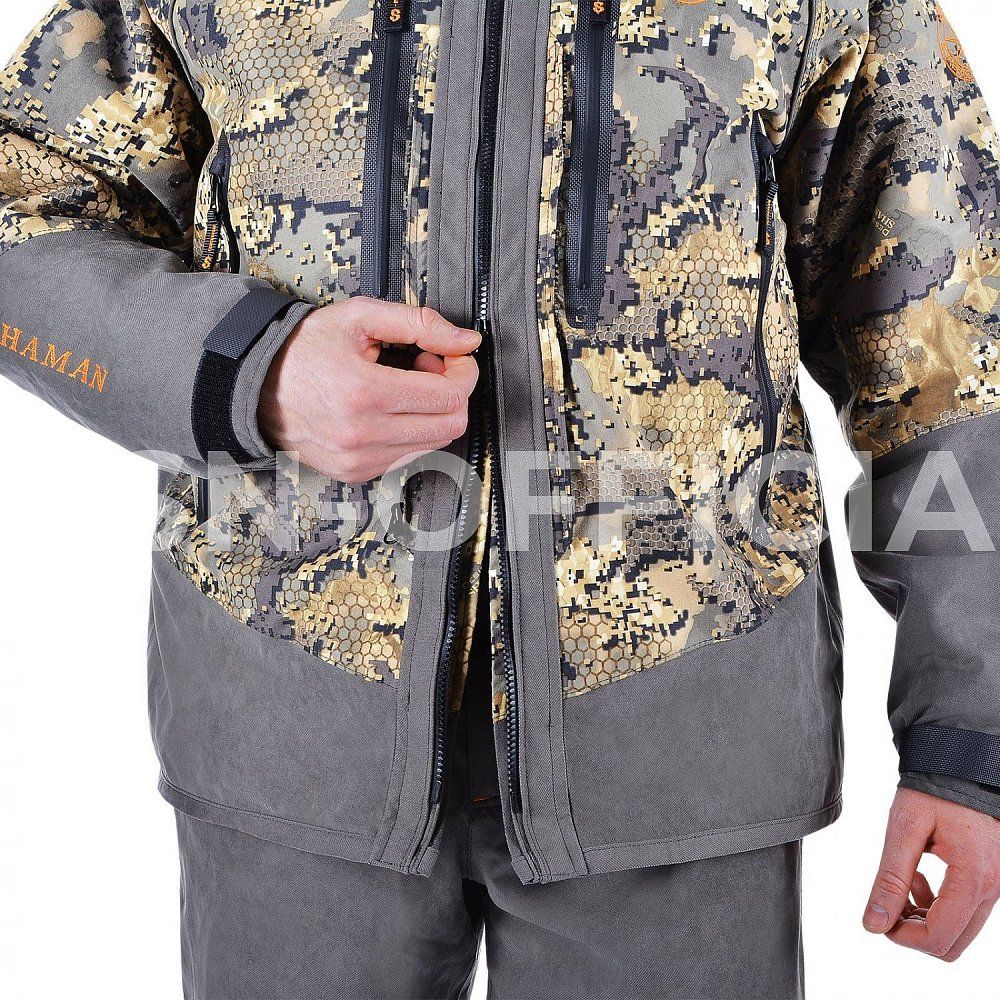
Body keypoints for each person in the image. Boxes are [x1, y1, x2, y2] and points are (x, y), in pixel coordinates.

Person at [1, 0, 998, 997]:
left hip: (684, 745)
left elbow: (953, 356)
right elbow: (21, 211)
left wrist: (970, 738)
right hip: (289, 733)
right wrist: (248, 369)